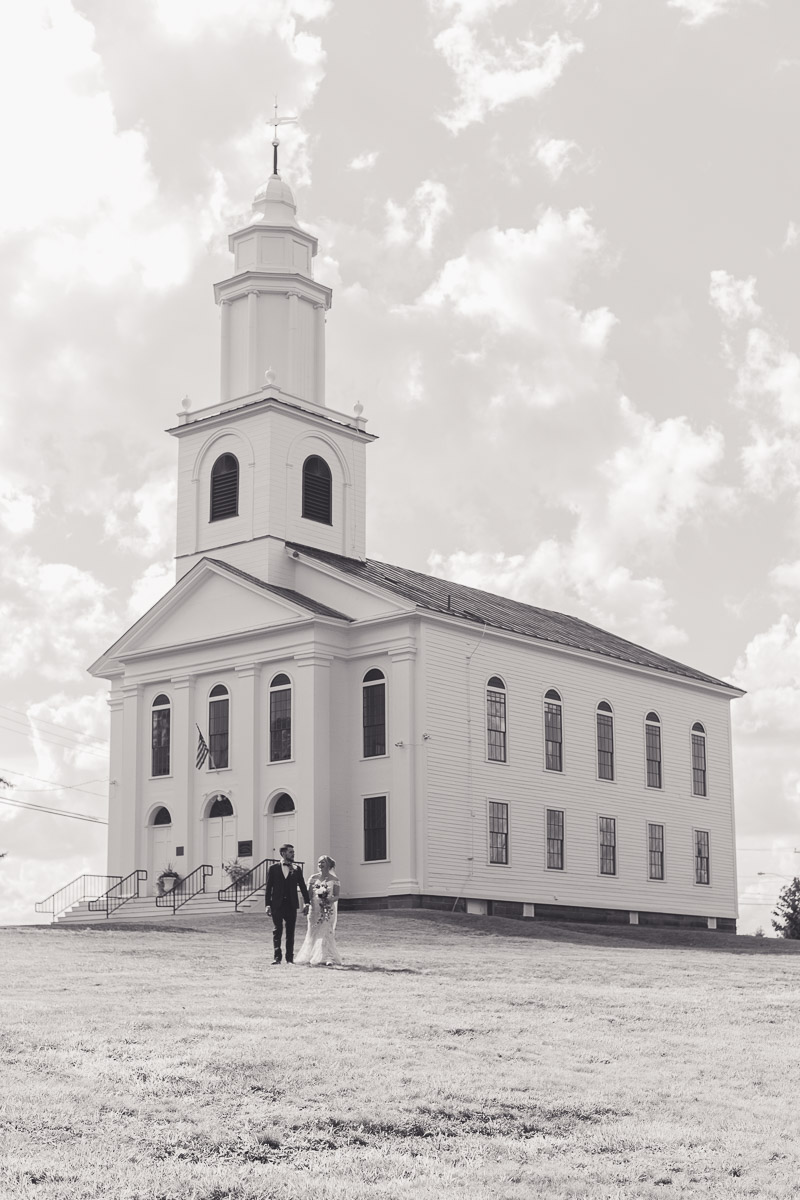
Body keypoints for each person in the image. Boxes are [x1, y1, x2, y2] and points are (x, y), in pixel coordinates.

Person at [264, 844, 309, 965]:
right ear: (283, 853)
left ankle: (290, 959)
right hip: (276, 904)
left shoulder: (297, 869)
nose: (293, 854)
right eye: (290, 852)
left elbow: (303, 886)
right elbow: (268, 888)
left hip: (291, 904)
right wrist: (267, 904)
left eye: (293, 852)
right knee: (277, 931)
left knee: (290, 932)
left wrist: (307, 902)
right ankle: (277, 958)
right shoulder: (273, 868)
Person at [294, 855, 342, 967]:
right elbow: (308, 895)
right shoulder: (313, 878)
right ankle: (311, 955)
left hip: (328, 909)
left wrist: (329, 900)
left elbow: (337, 895)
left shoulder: (335, 880)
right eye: (319, 862)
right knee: (313, 931)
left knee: (326, 931)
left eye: (323, 862)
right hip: (315, 909)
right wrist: (307, 905)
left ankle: (327, 957)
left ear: (328, 865)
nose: (320, 865)